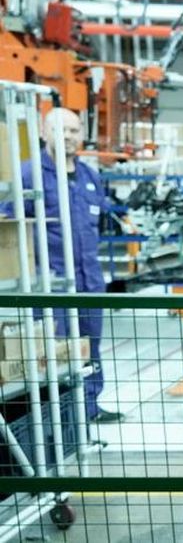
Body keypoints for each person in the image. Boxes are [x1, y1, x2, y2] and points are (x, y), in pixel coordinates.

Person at [2, 108, 120, 424]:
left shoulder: (90, 176)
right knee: (54, 351)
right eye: (60, 130)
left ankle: (90, 409)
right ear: (44, 132)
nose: (68, 136)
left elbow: (102, 220)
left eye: (73, 130)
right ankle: (61, 418)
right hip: (50, 281)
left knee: (89, 346)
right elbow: (11, 224)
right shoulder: (29, 175)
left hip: (89, 280)